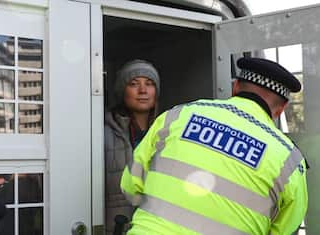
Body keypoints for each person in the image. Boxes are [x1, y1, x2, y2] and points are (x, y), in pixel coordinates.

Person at [121, 57, 308, 235]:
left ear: (235, 88)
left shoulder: (177, 116)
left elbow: (130, 184)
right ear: (282, 108)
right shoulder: (289, 161)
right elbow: (284, 228)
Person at [105, 59, 160, 234]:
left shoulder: (168, 130)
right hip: (116, 228)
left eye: (149, 84)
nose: (143, 90)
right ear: (122, 91)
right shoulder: (103, 133)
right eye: (134, 84)